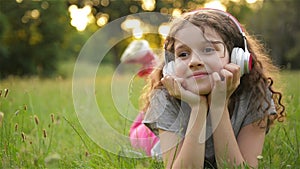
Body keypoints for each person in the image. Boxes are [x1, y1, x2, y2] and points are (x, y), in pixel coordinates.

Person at [141, 8, 285, 168]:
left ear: (238, 57)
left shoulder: (256, 93)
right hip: (159, 145)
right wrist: (198, 106)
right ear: (172, 67)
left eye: (208, 49)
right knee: (140, 138)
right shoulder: (165, 96)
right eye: (183, 54)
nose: (194, 61)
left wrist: (218, 105)